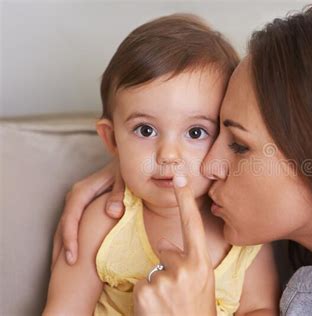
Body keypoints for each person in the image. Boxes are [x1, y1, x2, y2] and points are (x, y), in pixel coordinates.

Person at [51, 4, 312, 315]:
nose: (208, 166)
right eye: (213, 133)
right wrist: (132, 162)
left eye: (237, 144)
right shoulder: (305, 272)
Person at [43, 13, 279, 316]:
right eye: (146, 130)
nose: (168, 154)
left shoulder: (242, 231)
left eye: (196, 132)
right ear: (112, 139)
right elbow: (64, 310)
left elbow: (261, 308)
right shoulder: (102, 223)